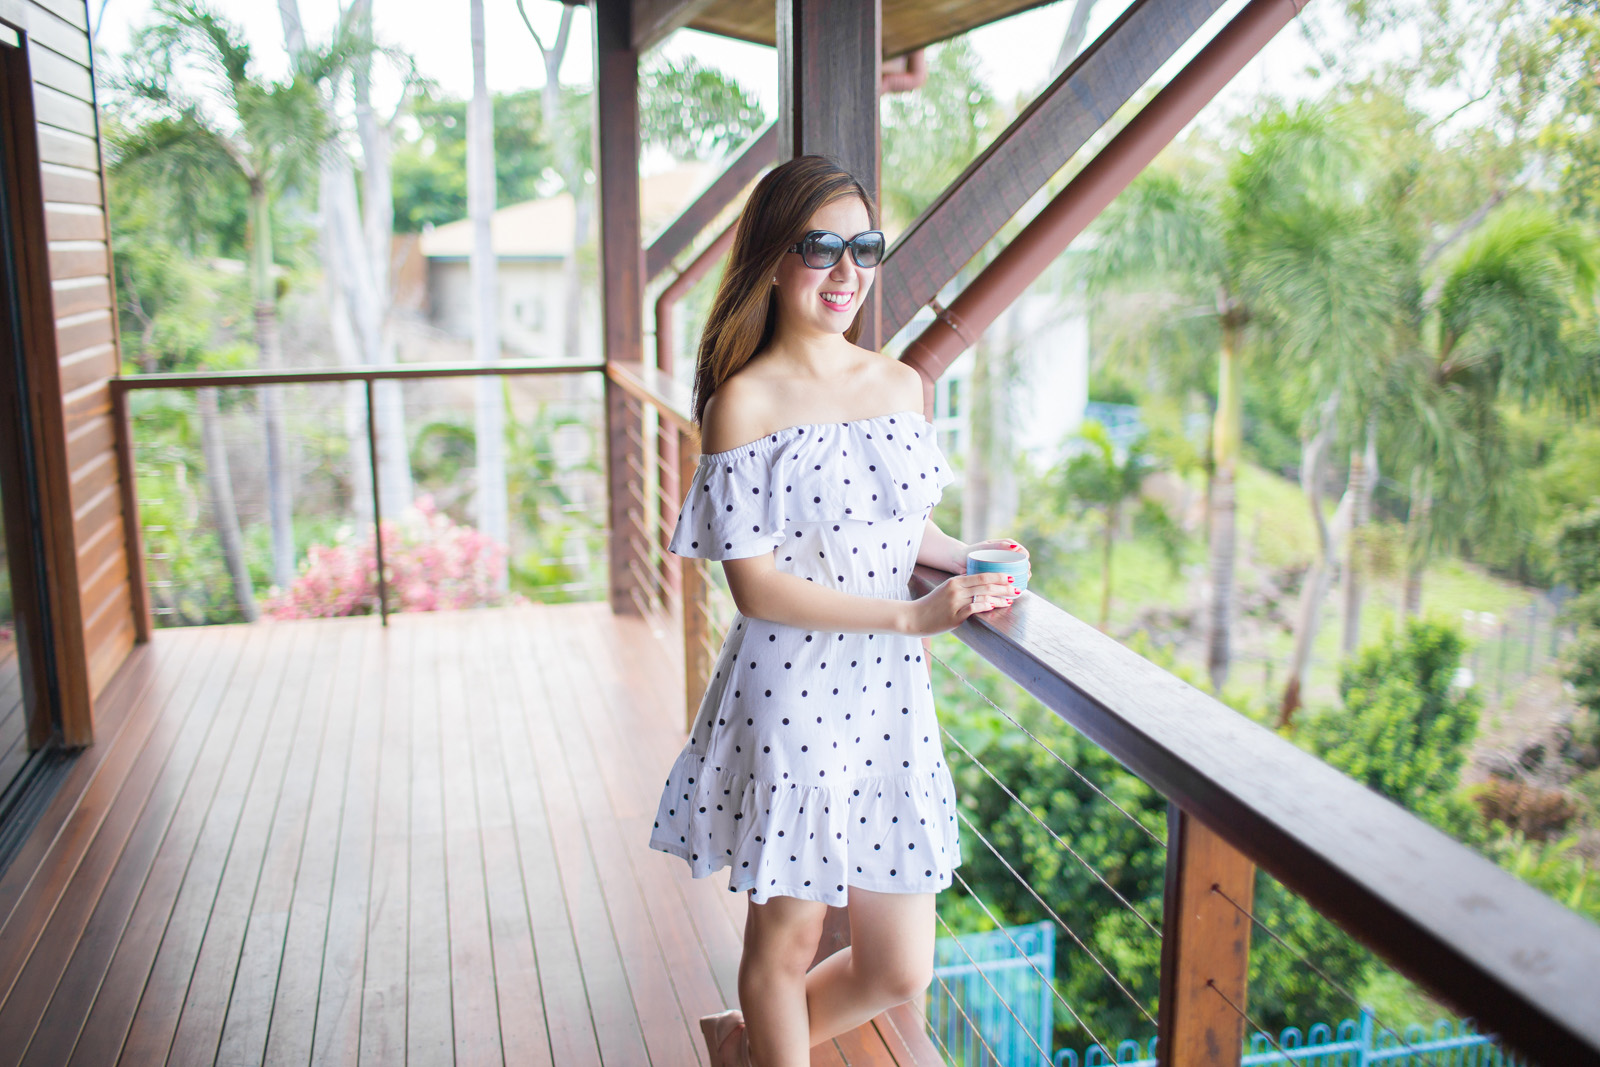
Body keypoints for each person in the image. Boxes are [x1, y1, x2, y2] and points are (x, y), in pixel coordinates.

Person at [648, 154, 1030, 1067]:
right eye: (822, 247)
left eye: (864, 247)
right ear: (775, 259)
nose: (847, 270)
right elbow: (755, 585)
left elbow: (900, 524)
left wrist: (972, 556)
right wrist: (913, 618)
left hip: (888, 699)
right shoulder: (744, 402)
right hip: (795, 688)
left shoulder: (899, 384)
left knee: (900, 965)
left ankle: (747, 1052)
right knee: (782, 946)